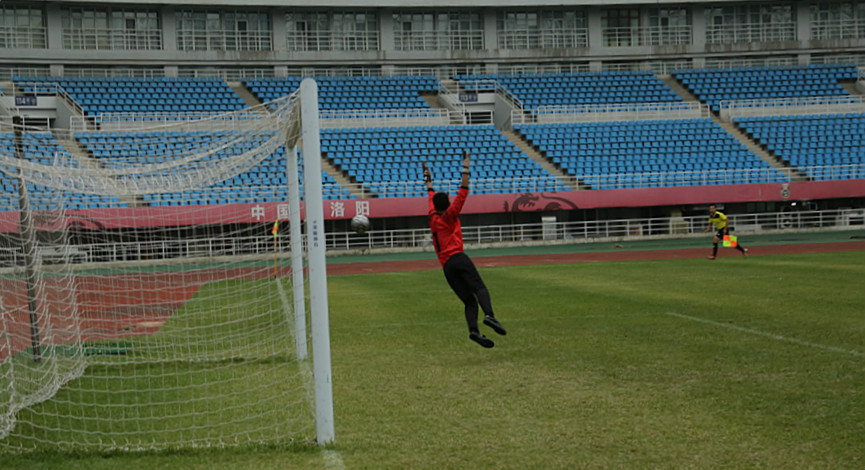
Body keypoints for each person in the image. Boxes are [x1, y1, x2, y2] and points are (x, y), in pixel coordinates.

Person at [423, 152, 506, 348]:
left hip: (446, 267)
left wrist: (427, 176)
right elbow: (464, 190)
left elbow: (430, 193)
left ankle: (474, 331)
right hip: (458, 257)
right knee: (480, 288)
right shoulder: (450, 215)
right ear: (449, 205)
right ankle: (490, 316)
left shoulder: (431, 215)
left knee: (469, 301)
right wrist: (466, 165)